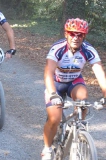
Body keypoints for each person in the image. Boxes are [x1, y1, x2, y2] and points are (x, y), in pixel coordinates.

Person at [41, 18, 106, 160]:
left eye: (80, 35)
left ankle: (80, 129)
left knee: (83, 99)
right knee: (55, 118)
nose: (76, 38)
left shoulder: (88, 50)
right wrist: (52, 94)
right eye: (72, 34)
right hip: (56, 84)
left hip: (74, 81)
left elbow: (100, 73)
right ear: (66, 34)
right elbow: (48, 72)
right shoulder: (58, 49)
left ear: (84, 36)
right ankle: (47, 148)